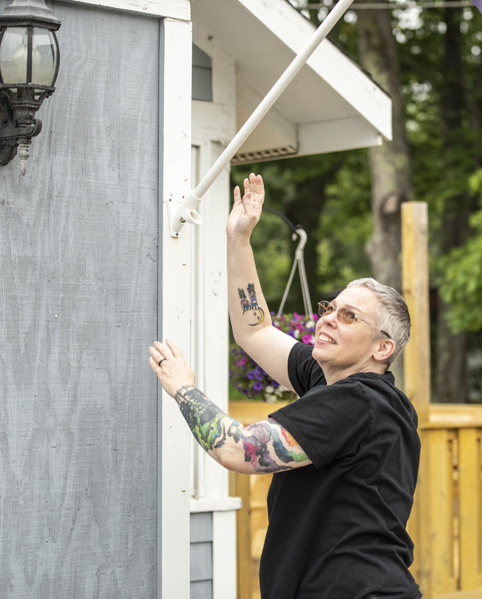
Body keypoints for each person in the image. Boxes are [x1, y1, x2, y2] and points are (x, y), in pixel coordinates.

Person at [149, 173, 421, 599]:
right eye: (330, 307)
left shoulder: (359, 401)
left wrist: (184, 389)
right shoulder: (333, 382)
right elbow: (255, 331)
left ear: (382, 347)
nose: (328, 317)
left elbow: (239, 450)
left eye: (349, 316)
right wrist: (239, 239)